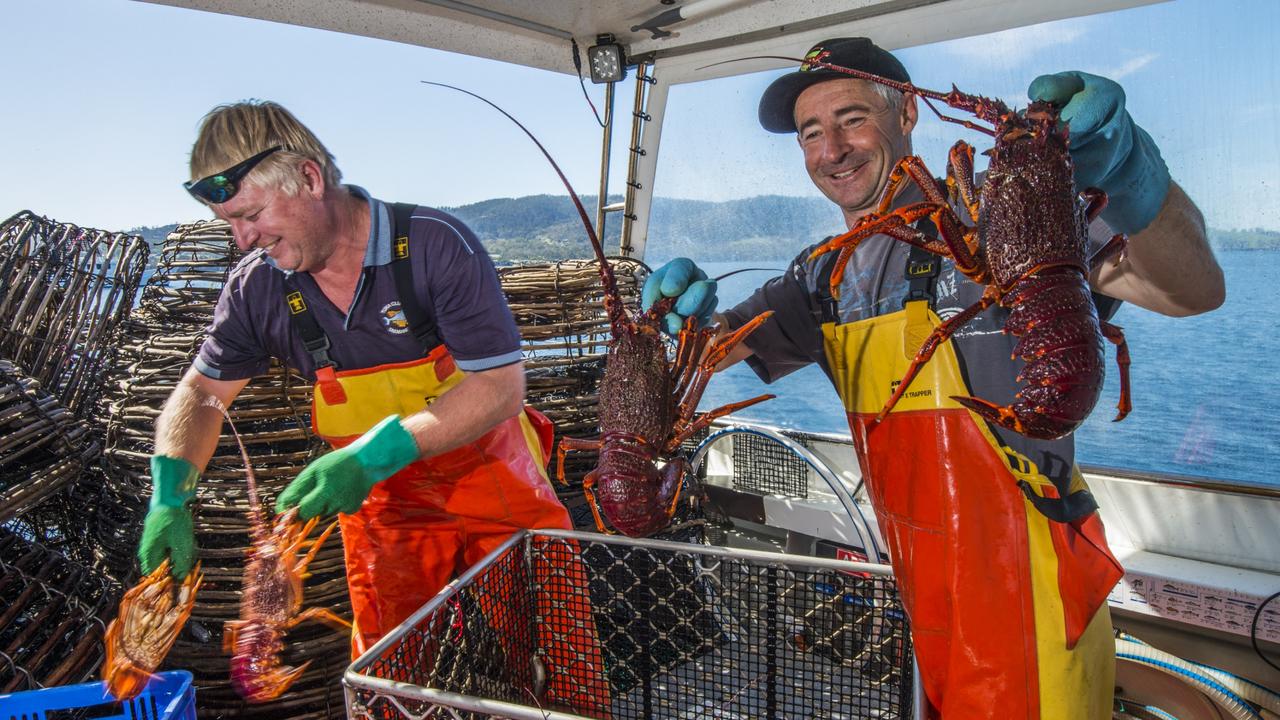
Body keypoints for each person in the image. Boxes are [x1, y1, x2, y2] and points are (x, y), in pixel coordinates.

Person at [645, 38, 1224, 719]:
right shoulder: (818, 276)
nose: (833, 148)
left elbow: (1194, 289)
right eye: (811, 132)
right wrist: (671, 319)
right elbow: (702, 358)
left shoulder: (1000, 211)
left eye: (852, 118)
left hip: (1029, 590)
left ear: (908, 114)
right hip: (919, 593)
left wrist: (1132, 176)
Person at [135, 100, 609, 712]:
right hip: (384, 511)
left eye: (251, 215)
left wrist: (368, 455)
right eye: (230, 223)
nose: (243, 238)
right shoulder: (256, 287)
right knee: (389, 676)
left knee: (559, 656)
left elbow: (499, 389)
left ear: (308, 178)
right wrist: (170, 494)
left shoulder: (435, 245)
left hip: (496, 486)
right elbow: (201, 393)